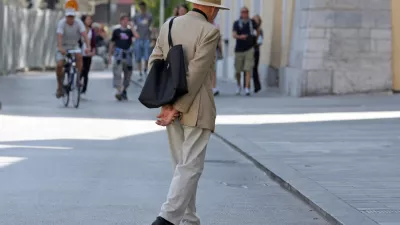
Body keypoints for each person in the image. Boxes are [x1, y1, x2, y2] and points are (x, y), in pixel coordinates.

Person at [148, 1, 229, 224]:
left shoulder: (170, 24)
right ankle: (167, 217)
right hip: (197, 107)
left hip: (170, 105)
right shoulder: (210, 31)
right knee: (190, 167)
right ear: (212, 10)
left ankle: (189, 220)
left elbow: (154, 62)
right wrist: (176, 107)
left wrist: (166, 103)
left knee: (181, 167)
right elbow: (196, 73)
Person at [55, 8, 91, 98]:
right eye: (68, 17)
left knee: (79, 56)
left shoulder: (78, 23)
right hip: (63, 46)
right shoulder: (62, 23)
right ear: (66, 17)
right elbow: (59, 36)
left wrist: (88, 47)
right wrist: (60, 47)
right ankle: (59, 87)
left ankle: (78, 78)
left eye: (72, 17)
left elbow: (85, 35)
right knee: (59, 65)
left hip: (74, 45)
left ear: (74, 17)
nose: (70, 19)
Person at [108, 14, 138, 101]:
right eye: (124, 20)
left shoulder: (129, 31)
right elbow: (112, 43)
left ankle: (124, 90)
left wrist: (132, 27)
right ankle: (118, 91)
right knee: (117, 72)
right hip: (118, 54)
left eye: (127, 20)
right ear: (120, 21)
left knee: (128, 73)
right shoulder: (116, 31)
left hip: (128, 54)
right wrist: (109, 55)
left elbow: (137, 36)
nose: (126, 22)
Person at [232, 6, 259, 96]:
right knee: (238, 70)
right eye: (243, 12)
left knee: (248, 69)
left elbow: (257, 30)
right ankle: (238, 85)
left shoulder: (251, 22)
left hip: (249, 49)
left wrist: (255, 40)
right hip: (239, 49)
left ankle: (247, 88)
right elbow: (234, 34)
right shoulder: (236, 23)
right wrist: (240, 37)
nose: (244, 13)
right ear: (240, 13)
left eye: (246, 12)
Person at [132, 1, 153, 80]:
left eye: (143, 7)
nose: (141, 8)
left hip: (147, 38)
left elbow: (152, 26)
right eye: (140, 7)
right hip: (138, 39)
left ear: (145, 7)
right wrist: (134, 34)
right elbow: (132, 25)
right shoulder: (136, 16)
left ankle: (145, 71)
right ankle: (140, 73)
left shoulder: (149, 16)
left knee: (147, 56)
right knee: (138, 56)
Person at [79, 15, 96, 94]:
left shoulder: (92, 30)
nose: (89, 21)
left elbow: (93, 42)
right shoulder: (80, 29)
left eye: (90, 19)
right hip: (80, 52)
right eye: (88, 19)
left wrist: (93, 50)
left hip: (88, 52)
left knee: (87, 70)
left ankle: (84, 88)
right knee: (81, 69)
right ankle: (78, 82)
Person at [252, 14, 263, 93]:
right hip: (248, 50)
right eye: (254, 20)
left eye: (257, 20)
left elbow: (260, 41)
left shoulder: (260, 30)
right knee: (247, 69)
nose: (255, 21)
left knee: (255, 69)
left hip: (256, 51)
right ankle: (247, 86)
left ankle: (257, 86)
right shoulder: (249, 29)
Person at [212, 20, 223, 96]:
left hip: (214, 49)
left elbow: (219, 39)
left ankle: (214, 87)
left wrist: (220, 50)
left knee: (214, 69)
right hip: (205, 50)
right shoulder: (203, 23)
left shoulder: (216, 25)